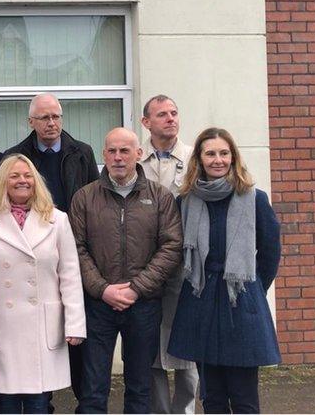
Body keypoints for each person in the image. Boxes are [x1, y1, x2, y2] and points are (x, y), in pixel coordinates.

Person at [168, 128, 281, 414]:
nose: (217, 160)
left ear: (233, 157)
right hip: (200, 300)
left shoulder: (254, 198)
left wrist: (252, 288)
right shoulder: (186, 201)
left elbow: (270, 252)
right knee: (212, 396)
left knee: (244, 398)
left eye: (223, 153)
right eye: (210, 153)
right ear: (199, 159)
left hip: (240, 302)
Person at [70, 128, 182, 414]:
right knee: (92, 389)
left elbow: (171, 247)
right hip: (98, 305)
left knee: (140, 387)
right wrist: (102, 289)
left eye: (125, 151)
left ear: (139, 154)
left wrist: (136, 288)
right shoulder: (84, 198)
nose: (118, 158)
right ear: (104, 155)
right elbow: (75, 249)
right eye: (112, 151)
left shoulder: (160, 197)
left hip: (143, 304)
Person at [0, 154, 86, 414]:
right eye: (14, 176)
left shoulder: (58, 220)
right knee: (4, 406)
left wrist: (75, 323)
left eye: (27, 175)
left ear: (36, 181)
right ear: (3, 182)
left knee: (39, 405)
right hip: (1, 328)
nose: (22, 181)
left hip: (43, 327)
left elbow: (70, 275)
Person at [5, 92, 99, 402]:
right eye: (44, 118)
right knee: (36, 347)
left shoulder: (82, 153)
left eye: (56, 116)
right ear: (30, 122)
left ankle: (84, 405)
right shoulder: (15, 157)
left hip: (73, 249)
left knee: (77, 348)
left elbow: (93, 205)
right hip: (31, 255)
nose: (52, 123)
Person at [140, 95, 199, 414]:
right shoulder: (136, 160)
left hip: (184, 268)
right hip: (145, 267)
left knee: (185, 347)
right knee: (151, 349)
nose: (170, 119)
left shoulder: (194, 159)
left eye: (174, 113)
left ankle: (184, 410)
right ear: (146, 122)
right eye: (162, 114)